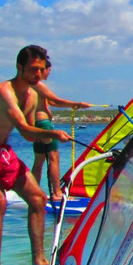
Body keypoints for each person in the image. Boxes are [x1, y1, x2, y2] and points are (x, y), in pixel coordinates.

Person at [0, 45, 73, 265]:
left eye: (41, 70)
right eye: (33, 69)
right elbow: (24, 129)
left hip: (3, 152)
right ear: (19, 67)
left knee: (37, 198)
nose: (37, 74)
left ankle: (39, 262)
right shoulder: (5, 91)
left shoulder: (33, 95)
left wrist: (47, 137)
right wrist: (52, 132)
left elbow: (29, 135)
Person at [30, 59, 90, 202]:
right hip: (44, 125)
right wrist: (78, 104)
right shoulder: (38, 85)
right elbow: (56, 100)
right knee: (53, 158)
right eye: (48, 70)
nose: (49, 73)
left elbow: (50, 102)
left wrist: (73, 106)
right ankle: (56, 193)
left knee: (39, 160)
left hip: (35, 125)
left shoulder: (30, 86)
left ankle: (32, 191)